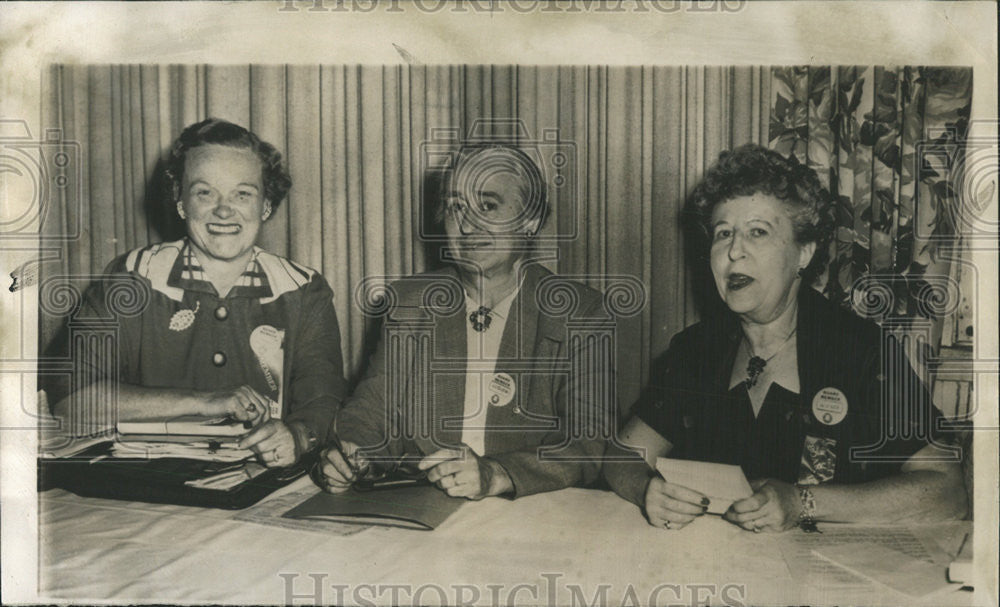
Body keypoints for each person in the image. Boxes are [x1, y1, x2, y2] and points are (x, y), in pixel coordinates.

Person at [603, 144, 966, 532]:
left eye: (757, 232)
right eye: (723, 233)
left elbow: (948, 491)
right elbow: (620, 457)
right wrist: (647, 489)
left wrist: (803, 503)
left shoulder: (861, 351)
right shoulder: (695, 349)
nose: (734, 252)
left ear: (804, 253)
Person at [316, 143, 614, 499]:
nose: (468, 224)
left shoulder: (580, 312)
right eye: (456, 207)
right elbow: (372, 410)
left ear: (531, 219)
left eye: (488, 205)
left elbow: (589, 442)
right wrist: (352, 454)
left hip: (531, 511)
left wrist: (498, 474)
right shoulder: (411, 303)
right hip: (422, 505)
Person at [46, 118, 347, 468]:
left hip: (258, 482)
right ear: (181, 202)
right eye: (205, 192)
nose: (223, 209)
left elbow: (325, 403)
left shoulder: (304, 289)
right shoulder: (131, 277)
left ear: (265, 205)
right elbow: (70, 401)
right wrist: (205, 401)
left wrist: (296, 436)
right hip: (146, 479)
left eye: (243, 194)